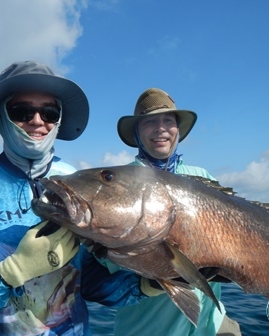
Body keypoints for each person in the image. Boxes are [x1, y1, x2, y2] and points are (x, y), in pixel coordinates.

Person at [0, 61, 147, 335]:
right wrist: (9, 273)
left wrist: (144, 285)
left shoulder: (79, 184)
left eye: (49, 112)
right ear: (0, 116)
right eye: (21, 111)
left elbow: (90, 283)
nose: (37, 121)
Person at [106, 88, 242, 335]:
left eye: (168, 121)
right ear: (137, 131)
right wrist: (147, 283)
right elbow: (100, 284)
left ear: (177, 130)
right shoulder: (115, 184)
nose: (161, 128)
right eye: (150, 121)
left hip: (213, 324)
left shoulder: (204, 177)